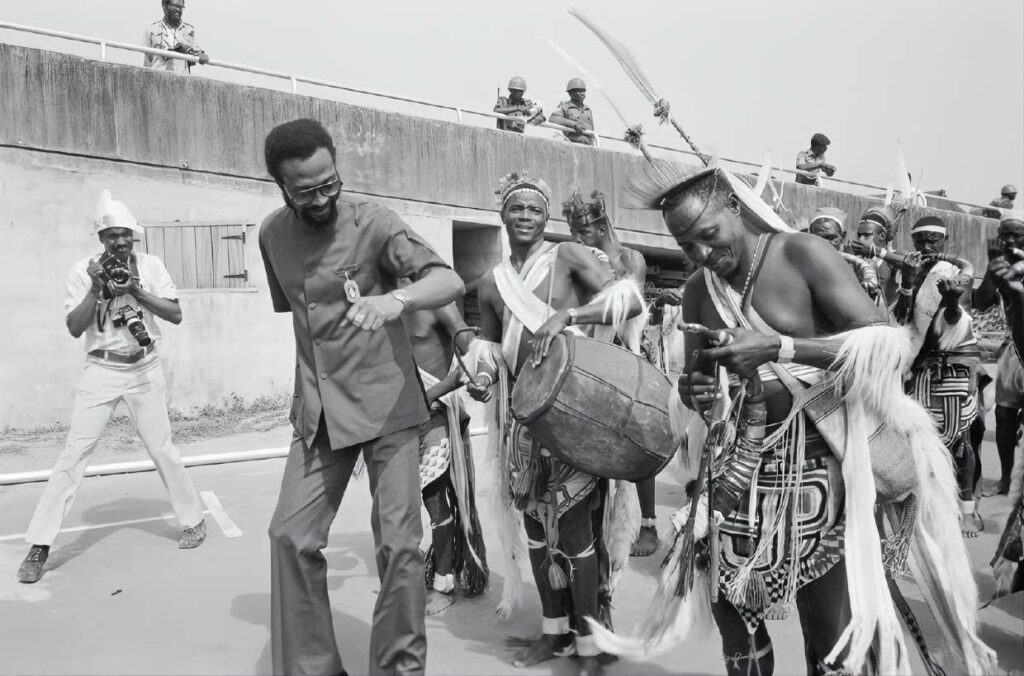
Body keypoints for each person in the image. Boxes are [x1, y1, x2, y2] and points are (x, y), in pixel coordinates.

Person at [586, 163, 995, 676]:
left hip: (821, 467)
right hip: (737, 474)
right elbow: (698, 378)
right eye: (687, 245)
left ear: (734, 206)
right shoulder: (697, 291)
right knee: (733, 619)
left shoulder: (801, 253)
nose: (702, 253)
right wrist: (694, 391)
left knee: (831, 634)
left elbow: (885, 346)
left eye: (708, 235)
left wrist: (779, 346)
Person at [258, 118, 464, 676]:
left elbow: (447, 281)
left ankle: (398, 668)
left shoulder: (374, 222)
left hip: (387, 405)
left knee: (398, 548)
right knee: (289, 535)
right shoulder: (271, 235)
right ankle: (313, 667)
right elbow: (302, 313)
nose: (322, 198)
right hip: (319, 410)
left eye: (330, 183)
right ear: (282, 187)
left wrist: (396, 301)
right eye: (306, 191)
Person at [465, 172, 642, 676]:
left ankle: (590, 642)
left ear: (546, 217)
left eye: (535, 209)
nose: (525, 216)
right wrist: (483, 377)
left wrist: (569, 316)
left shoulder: (568, 256)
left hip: (572, 416)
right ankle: (553, 633)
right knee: (536, 530)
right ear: (502, 215)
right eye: (516, 208)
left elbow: (629, 299)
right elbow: (492, 349)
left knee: (575, 528)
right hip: (522, 424)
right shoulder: (492, 282)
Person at [16, 189, 206, 585]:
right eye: (111, 235)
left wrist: (135, 290)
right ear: (101, 239)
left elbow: (175, 314)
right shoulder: (81, 271)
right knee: (73, 455)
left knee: (162, 448)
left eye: (125, 234)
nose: (120, 241)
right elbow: (74, 327)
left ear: (133, 236)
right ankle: (40, 544)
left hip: (144, 365)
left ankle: (193, 520)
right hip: (101, 369)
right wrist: (94, 288)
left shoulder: (150, 266)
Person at [563, 189, 660, 558]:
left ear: (601, 226)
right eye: (573, 232)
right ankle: (601, 522)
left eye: (583, 231)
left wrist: (605, 274)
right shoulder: (582, 260)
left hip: (629, 358)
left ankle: (647, 524)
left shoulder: (630, 258)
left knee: (639, 444)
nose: (577, 238)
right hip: (593, 362)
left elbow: (627, 307)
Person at [894, 216, 982, 536]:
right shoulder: (909, 270)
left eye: (934, 239)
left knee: (961, 439)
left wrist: (951, 301)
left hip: (951, 363)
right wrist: (907, 281)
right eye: (921, 240)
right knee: (914, 436)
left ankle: (967, 510)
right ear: (913, 242)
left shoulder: (956, 272)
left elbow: (956, 316)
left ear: (944, 241)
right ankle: (920, 501)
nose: (927, 245)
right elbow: (902, 318)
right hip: (916, 364)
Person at [401, 299, 489, 615]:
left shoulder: (438, 302)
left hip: (434, 417)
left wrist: (478, 378)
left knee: (435, 502)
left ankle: (444, 583)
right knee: (397, 504)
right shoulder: (381, 300)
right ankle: (406, 574)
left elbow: (473, 352)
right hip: (397, 420)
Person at [975, 217, 1024, 495]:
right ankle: (1006, 479)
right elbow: (982, 302)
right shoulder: (1000, 265)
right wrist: (992, 267)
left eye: (1016, 235)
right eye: (1005, 235)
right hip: (1013, 349)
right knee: (1004, 416)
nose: (1010, 241)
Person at [807, 207, 880, 299]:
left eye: (830, 238)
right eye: (818, 238)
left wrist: (868, 284)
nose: (824, 243)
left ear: (843, 236)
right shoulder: (801, 260)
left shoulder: (858, 263)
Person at [847, 205, 900, 306]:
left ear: (882, 236)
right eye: (859, 235)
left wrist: (877, 252)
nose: (860, 240)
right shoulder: (855, 258)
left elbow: (911, 265)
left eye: (866, 235)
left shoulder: (893, 258)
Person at [143, 0, 210, 73]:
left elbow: (197, 53)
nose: (178, 10)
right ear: (164, 5)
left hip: (181, 78)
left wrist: (201, 55)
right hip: (158, 78)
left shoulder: (188, 30)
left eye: (181, 7)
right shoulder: (152, 30)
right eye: (176, 6)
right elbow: (148, 62)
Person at [549, 79, 595, 146]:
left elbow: (592, 132)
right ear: (571, 93)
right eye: (579, 91)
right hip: (572, 144)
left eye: (583, 91)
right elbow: (553, 118)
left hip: (587, 146)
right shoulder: (565, 106)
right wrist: (574, 124)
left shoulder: (587, 110)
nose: (582, 93)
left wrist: (593, 148)